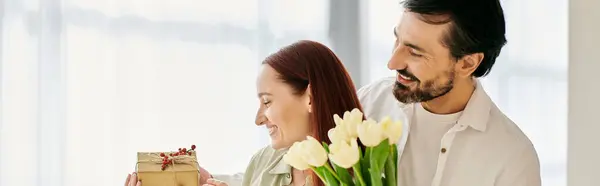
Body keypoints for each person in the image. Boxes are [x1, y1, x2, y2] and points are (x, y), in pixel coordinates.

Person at [124, 40, 365, 186]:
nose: (258, 119)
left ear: (310, 98)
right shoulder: (266, 162)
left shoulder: (362, 174)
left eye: (267, 102)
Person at [357, 0, 541, 185]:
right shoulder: (368, 104)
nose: (393, 63)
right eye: (397, 40)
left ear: (467, 63)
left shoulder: (513, 159)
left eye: (416, 53)